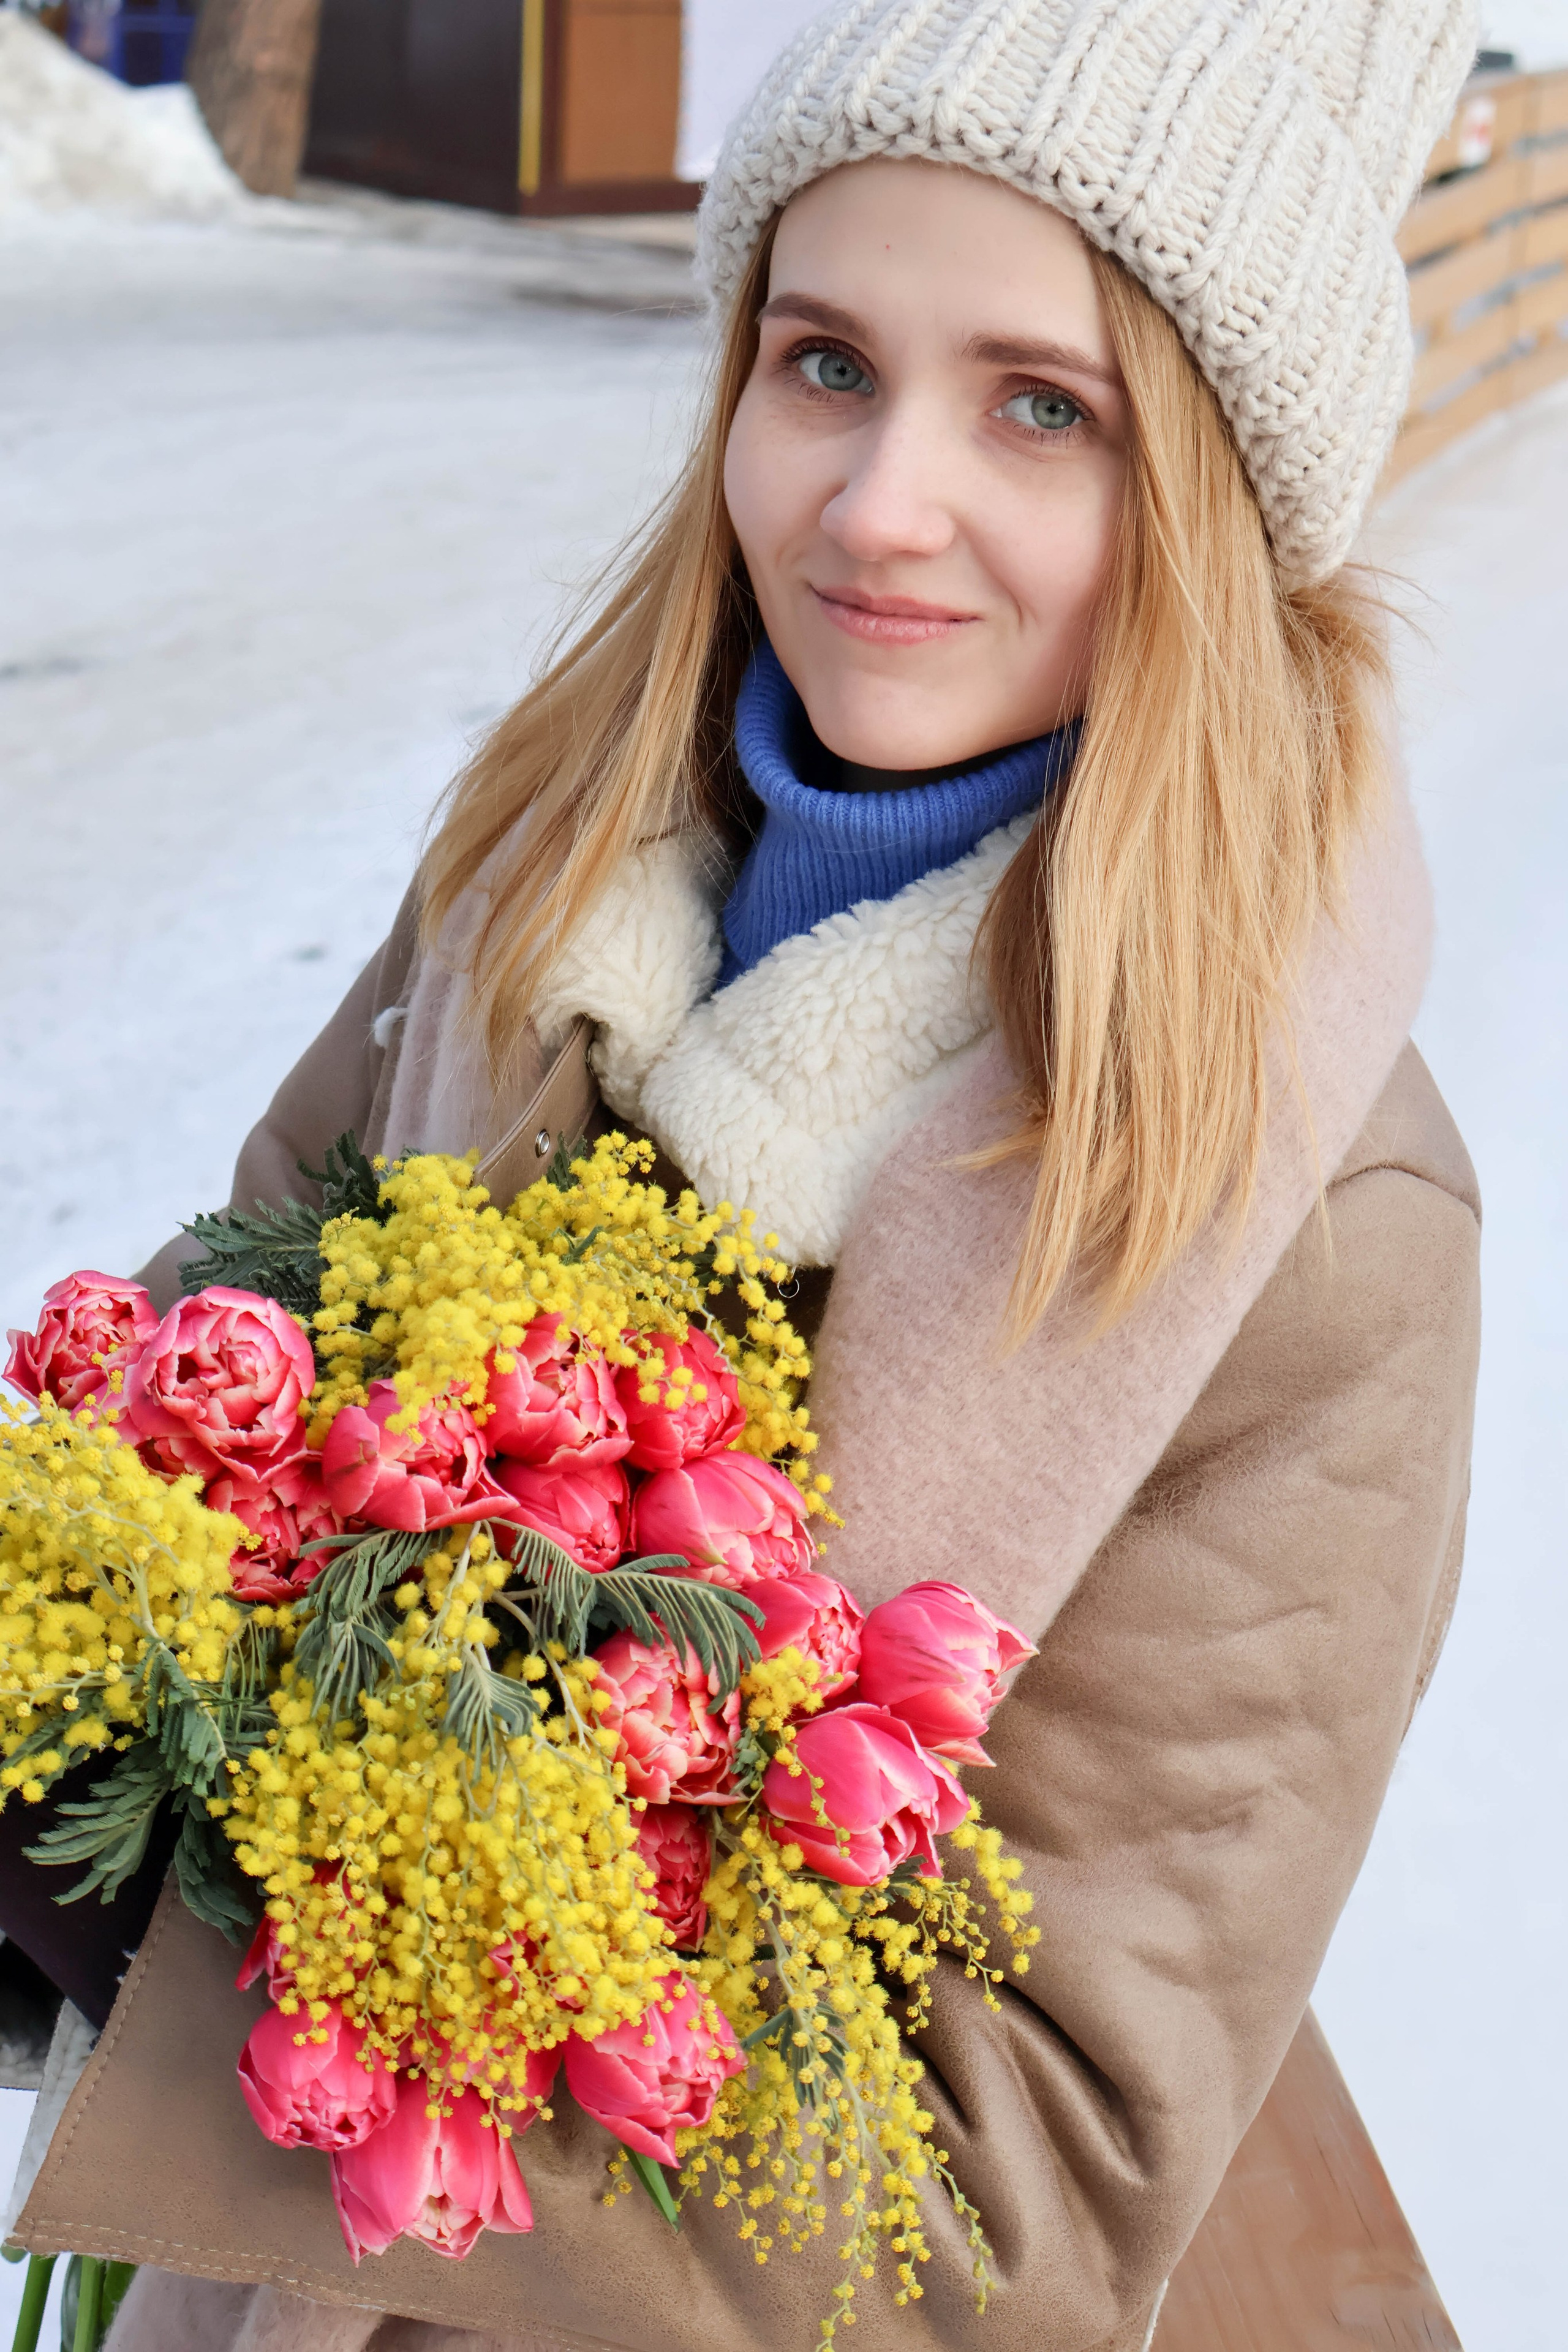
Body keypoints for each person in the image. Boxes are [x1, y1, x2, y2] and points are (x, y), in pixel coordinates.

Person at [17, 1, 1483, 2348]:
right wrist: (80, 1669)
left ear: (1212, 483)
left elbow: (1020, 2204)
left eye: (1042, 406)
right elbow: (229, 1381)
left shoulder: (1304, 1222)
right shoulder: (541, 878)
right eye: (822, 364)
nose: (881, 504)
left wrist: (195, 1959)